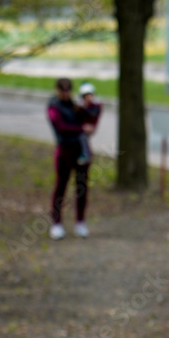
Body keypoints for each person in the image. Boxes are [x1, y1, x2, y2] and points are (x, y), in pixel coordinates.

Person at [46, 78, 95, 240]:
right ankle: (56, 223)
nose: (66, 93)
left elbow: (89, 119)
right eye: (63, 90)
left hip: (80, 150)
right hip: (65, 151)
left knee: (81, 187)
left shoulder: (75, 105)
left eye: (68, 90)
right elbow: (61, 127)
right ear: (57, 90)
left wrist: (90, 104)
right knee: (61, 187)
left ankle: (80, 222)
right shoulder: (54, 107)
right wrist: (81, 128)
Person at [76, 82, 102, 166]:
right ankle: (86, 153)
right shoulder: (81, 105)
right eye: (86, 96)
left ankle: (86, 154)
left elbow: (95, 117)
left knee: (83, 137)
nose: (88, 97)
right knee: (82, 138)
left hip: (89, 127)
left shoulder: (96, 105)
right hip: (82, 127)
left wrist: (92, 127)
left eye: (90, 95)